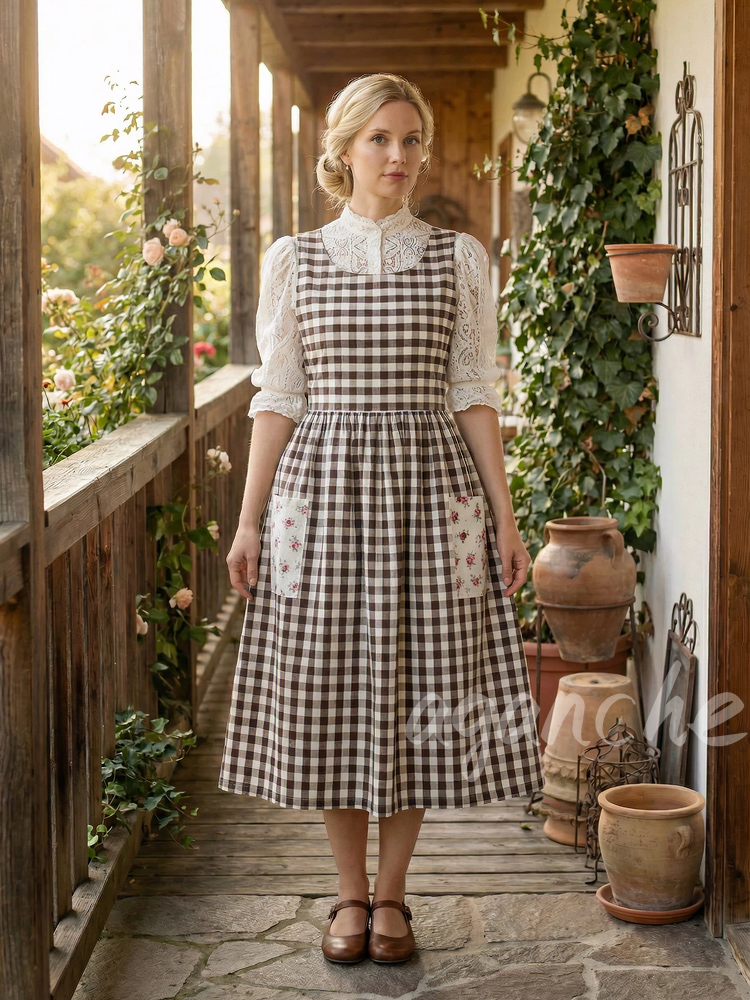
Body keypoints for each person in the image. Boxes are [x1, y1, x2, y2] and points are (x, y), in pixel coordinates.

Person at [219, 72, 545, 966]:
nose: (398, 156)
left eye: (411, 140)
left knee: (415, 690)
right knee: (331, 691)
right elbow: (278, 399)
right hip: (320, 502)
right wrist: (248, 523)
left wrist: (504, 520)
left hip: (426, 491)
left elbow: (474, 395)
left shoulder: (457, 258)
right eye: (380, 139)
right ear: (344, 149)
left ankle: (393, 898)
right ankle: (347, 894)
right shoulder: (296, 258)